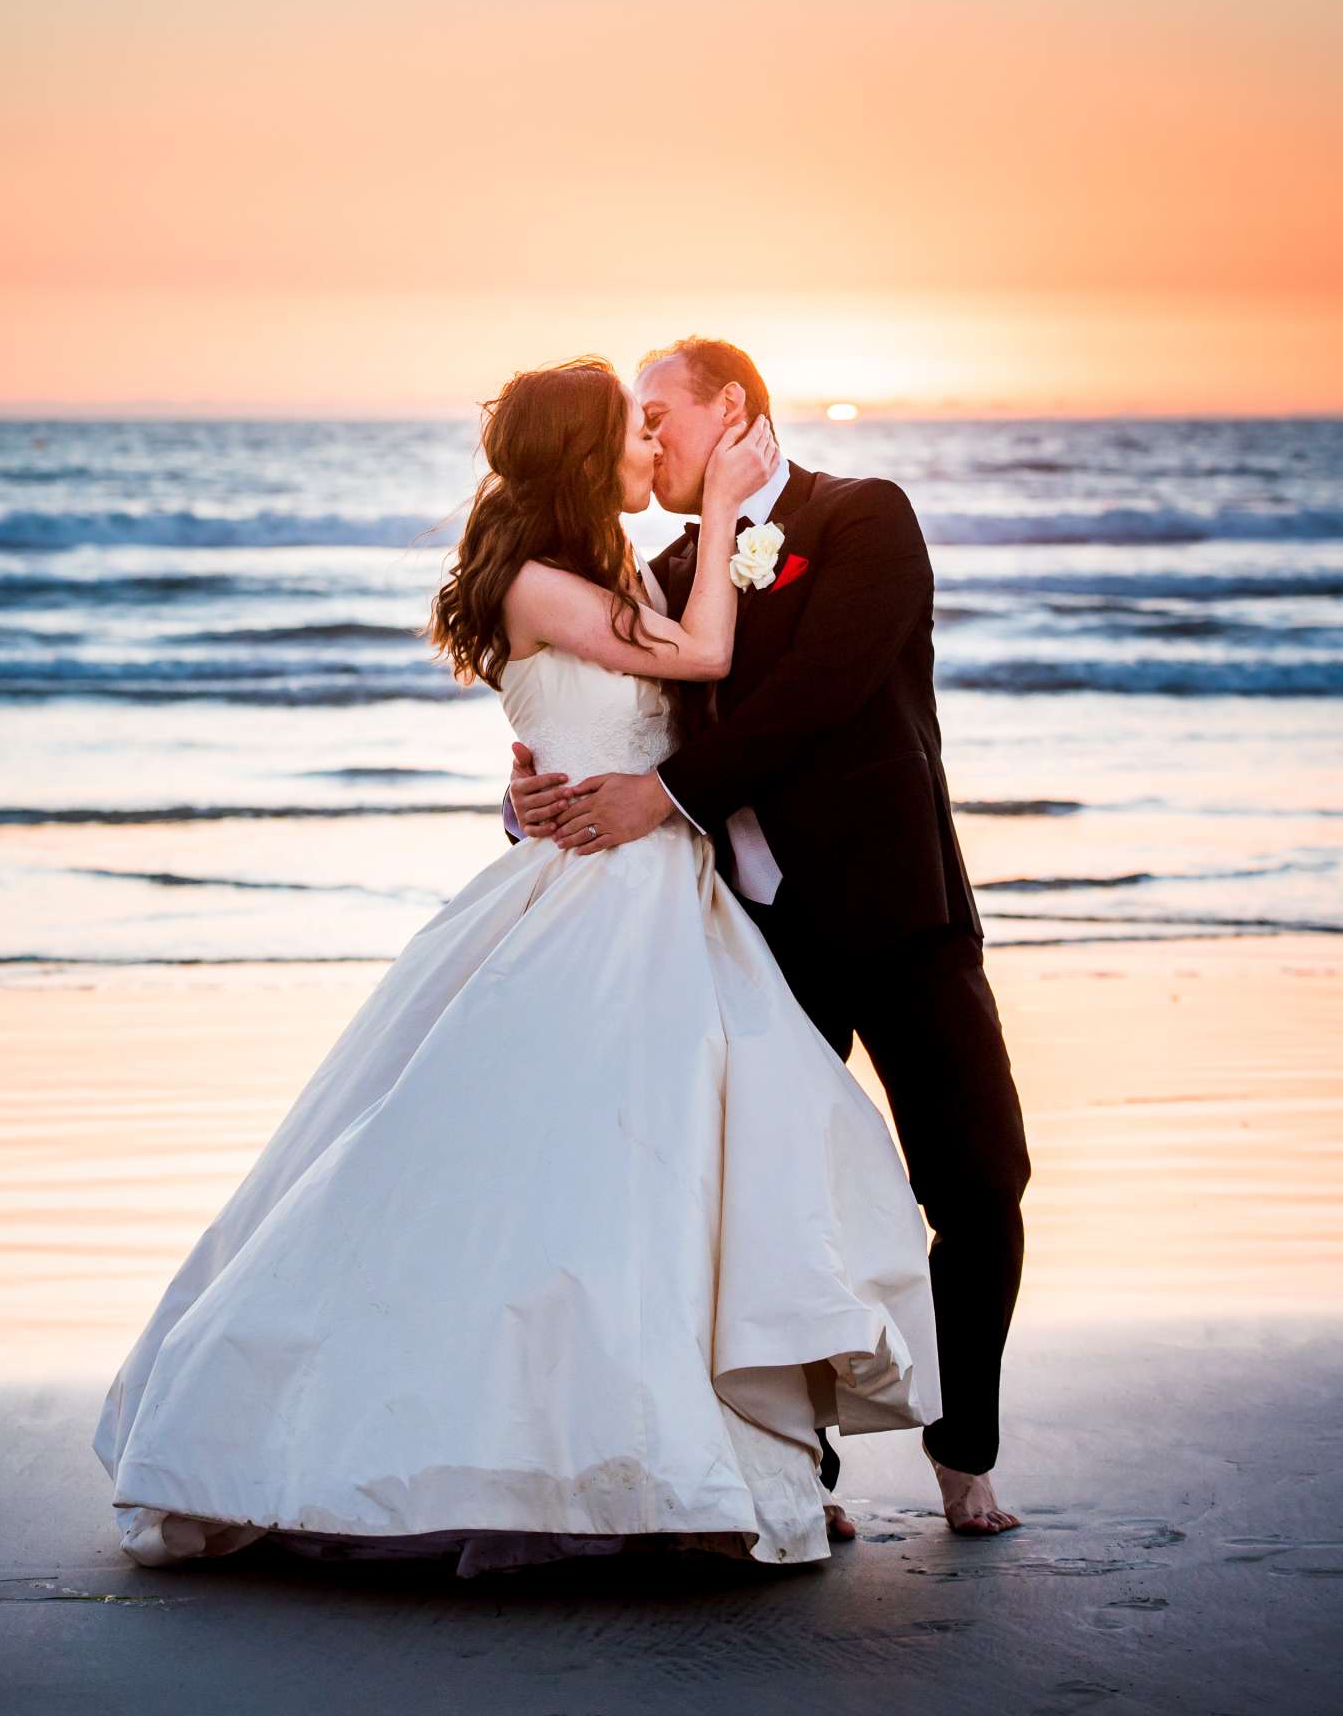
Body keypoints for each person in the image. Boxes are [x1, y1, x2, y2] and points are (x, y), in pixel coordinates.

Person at [94, 357, 939, 1575]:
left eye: (660, 423)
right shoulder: (552, 584)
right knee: (582, 1178)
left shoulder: (594, 580)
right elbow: (702, 664)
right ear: (586, 457)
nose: (649, 443)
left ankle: (692, 1449)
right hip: (604, 900)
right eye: (631, 430)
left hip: (663, 896)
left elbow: (666, 707)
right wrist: (713, 517)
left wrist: (528, 784)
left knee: (667, 1185)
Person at [507, 338, 1030, 1536]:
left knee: (982, 1183)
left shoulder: (865, 520)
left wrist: (669, 797)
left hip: (901, 917)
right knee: (759, 1212)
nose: (646, 440)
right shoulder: (671, 568)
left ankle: (966, 1453)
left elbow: (824, 693)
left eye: (660, 414)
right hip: (750, 939)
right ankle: (800, 1479)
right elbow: (613, 716)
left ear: (730, 407)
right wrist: (534, 788)